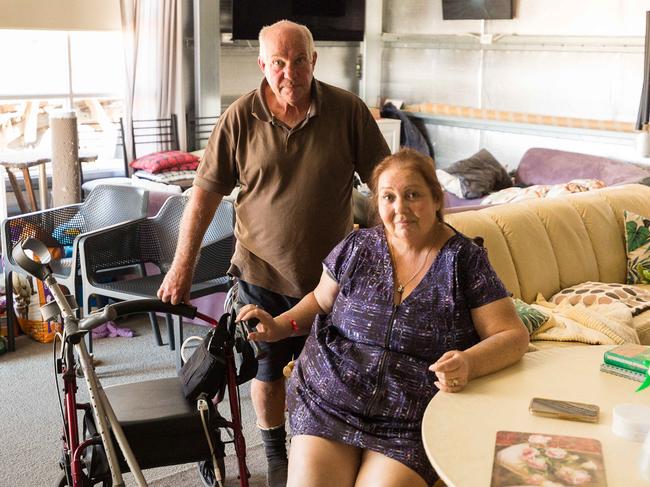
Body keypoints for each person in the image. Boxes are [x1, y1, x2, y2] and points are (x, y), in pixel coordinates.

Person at [157, 20, 390, 487]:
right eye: (278, 63)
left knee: (335, 366)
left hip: (332, 278)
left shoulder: (347, 111)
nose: (289, 72)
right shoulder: (239, 118)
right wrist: (181, 268)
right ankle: (275, 448)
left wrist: (392, 256)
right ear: (262, 64)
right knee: (267, 367)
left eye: (298, 60)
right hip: (260, 271)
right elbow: (202, 198)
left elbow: (384, 183)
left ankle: (328, 444)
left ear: (313, 60)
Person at [237, 148, 530, 487]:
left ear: (436, 199)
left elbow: (512, 335)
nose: (400, 209)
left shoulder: (465, 260)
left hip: (410, 418)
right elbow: (320, 300)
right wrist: (279, 326)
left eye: (412, 195)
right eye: (388, 197)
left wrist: (468, 363)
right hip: (332, 400)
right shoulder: (357, 246)